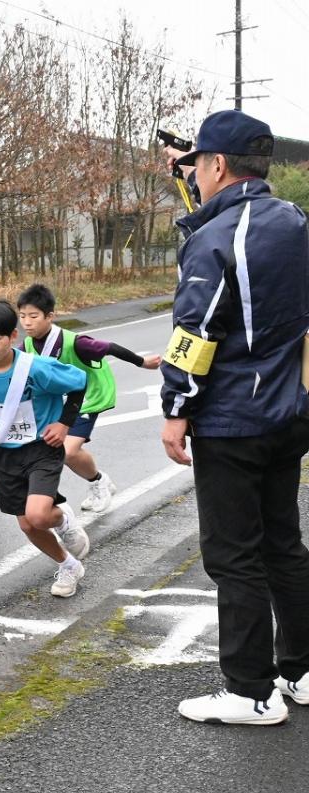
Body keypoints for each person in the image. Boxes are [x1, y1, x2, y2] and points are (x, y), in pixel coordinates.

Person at [157, 109, 309, 726]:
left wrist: (175, 407)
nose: (194, 173)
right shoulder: (295, 221)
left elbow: (194, 330)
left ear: (218, 165)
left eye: (198, 164)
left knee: (232, 554)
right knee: (283, 544)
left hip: (232, 418)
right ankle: (301, 671)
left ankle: (249, 691)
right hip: (292, 411)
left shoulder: (216, 237)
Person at [0, 300, 91, 598]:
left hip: (42, 447)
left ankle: (64, 520)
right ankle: (69, 565)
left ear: (13, 336)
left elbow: (80, 383)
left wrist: (65, 424)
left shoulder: (37, 369)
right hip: (3, 453)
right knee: (29, 526)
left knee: (40, 515)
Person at [17, 284, 161, 513]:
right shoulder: (26, 346)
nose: (27, 322)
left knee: (68, 450)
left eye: (33, 316)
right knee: (51, 450)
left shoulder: (75, 342)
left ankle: (99, 483)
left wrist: (142, 363)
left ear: (50, 316)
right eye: (22, 316)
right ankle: (95, 483)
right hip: (57, 403)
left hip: (87, 397)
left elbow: (110, 347)